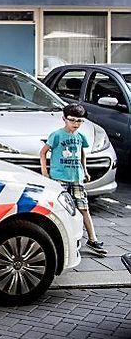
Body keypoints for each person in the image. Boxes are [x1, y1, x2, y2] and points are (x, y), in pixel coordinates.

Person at [39, 103, 107, 256]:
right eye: (72, 120)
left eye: (79, 121)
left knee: (83, 208)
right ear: (64, 119)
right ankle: (61, 239)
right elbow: (43, 153)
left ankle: (92, 239)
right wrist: (45, 172)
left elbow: (82, 154)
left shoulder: (80, 137)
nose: (76, 124)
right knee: (60, 209)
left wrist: (85, 170)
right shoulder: (56, 135)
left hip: (76, 177)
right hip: (59, 178)